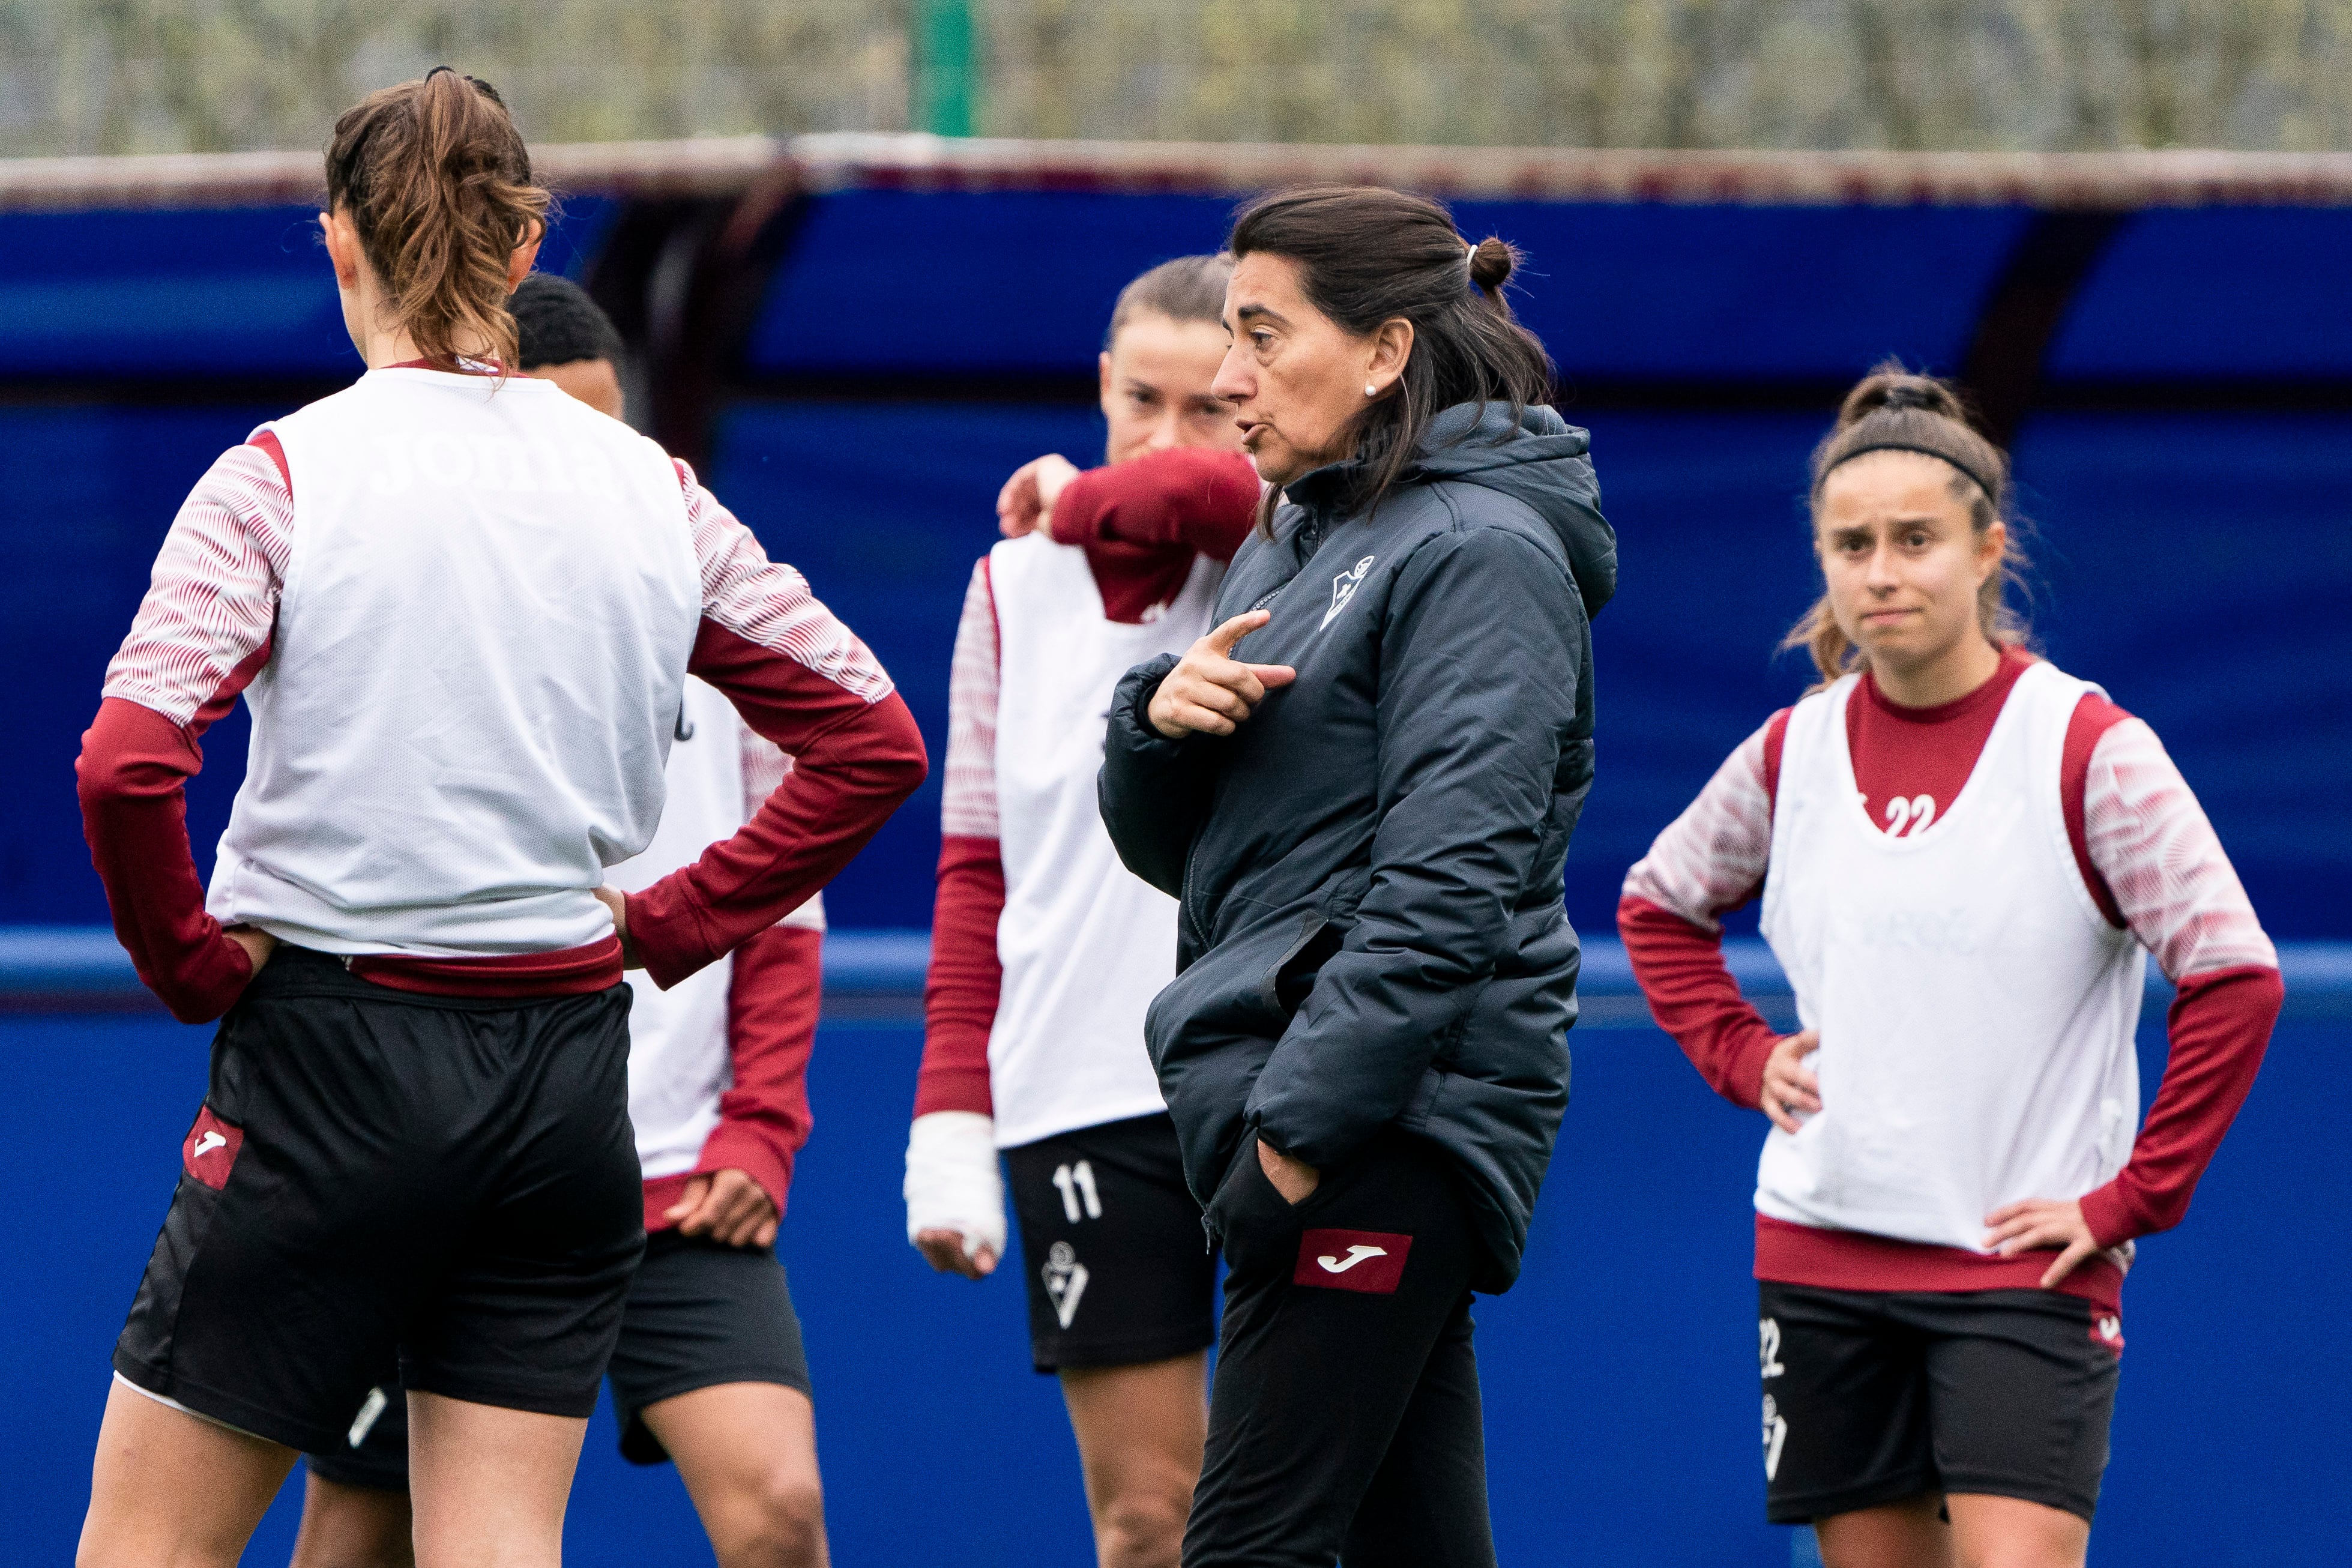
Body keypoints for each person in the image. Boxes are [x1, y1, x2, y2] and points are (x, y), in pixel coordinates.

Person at [71, 71, 924, 1568]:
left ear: (338, 240)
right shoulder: (654, 490)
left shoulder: (278, 478)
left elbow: (127, 761)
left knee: (154, 1545)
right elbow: (871, 738)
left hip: (330, 1062)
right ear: (528, 247)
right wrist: (668, 924)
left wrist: (193, 966)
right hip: (565, 1081)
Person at [1617, 366, 2283, 1568]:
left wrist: (2134, 1198)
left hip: (2025, 1267)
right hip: (1819, 1251)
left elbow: (2235, 975)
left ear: (1988, 550)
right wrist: (1740, 1054)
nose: (1881, 571)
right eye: (1852, 544)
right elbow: (1657, 905)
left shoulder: (2086, 748)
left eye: (1915, 539)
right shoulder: (1792, 749)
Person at [1097, 187, 1616, 1568]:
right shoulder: (1301, 534)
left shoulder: (1483, 551)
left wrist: (1298, 1134)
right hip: (1304, 1115)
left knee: (1246, 1547)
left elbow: (1451, 883)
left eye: (1263, 336)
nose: (1230, 377)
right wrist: (1155, 722)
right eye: (1231, 335)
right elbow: (1194, 865)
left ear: (1386, 351)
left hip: (1379, 1126)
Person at [285, 274, 837, 1568]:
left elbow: (788, 897)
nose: (587, 462)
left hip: (669, 1181)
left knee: (778, 1511)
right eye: (553, 429)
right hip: (440, 1160)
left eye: (610, 429)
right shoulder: (395, 603)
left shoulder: (722, 591)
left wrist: (760, 1127)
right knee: (361, 1536)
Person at [904, 254, 1261, 1568]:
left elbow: (1212, 492)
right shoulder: (1008, 584)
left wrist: (1077, 494)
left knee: (1298, 1508)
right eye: (1139, 402)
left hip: (1275, 1075)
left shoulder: (1281, 537)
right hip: (1079, 1090)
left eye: (1209, 406)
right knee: (1147, 1518)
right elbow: (975, 872)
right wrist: (950, 1121)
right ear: (1100, 385)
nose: (1168, 438)